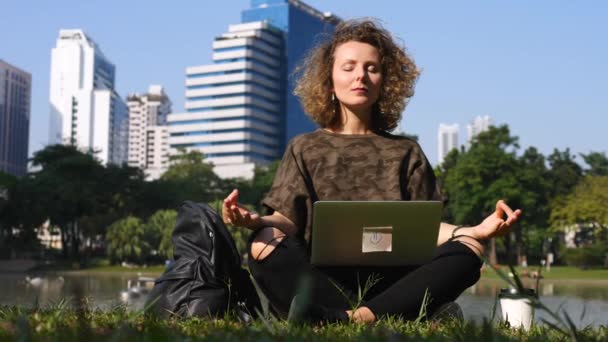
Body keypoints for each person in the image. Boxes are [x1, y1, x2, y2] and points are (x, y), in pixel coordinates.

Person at [222, 19, 522, 323]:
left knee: (470, 248)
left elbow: (426, 228)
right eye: (349, 67)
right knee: (263, 240)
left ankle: (348, 318)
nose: (360, 76)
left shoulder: (407, 151)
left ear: (385, 82)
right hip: (321, 276)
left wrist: (473, 231)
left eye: (372, 68)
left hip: (396, 278)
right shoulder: (304, 147)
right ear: (329, 80)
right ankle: (382, 313)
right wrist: (255, 221)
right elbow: (286, 220)